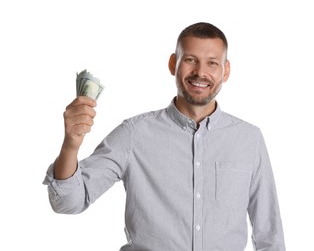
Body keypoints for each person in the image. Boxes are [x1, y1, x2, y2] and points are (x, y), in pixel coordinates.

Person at [43, 22, 285, 251]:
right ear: (173, 64)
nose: (200, 72)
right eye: (190, 60)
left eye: (212, 63)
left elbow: (269, 236)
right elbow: (68, 202)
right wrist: (71, 145)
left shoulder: (248, 139)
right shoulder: (133, 134)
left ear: (226, 71)